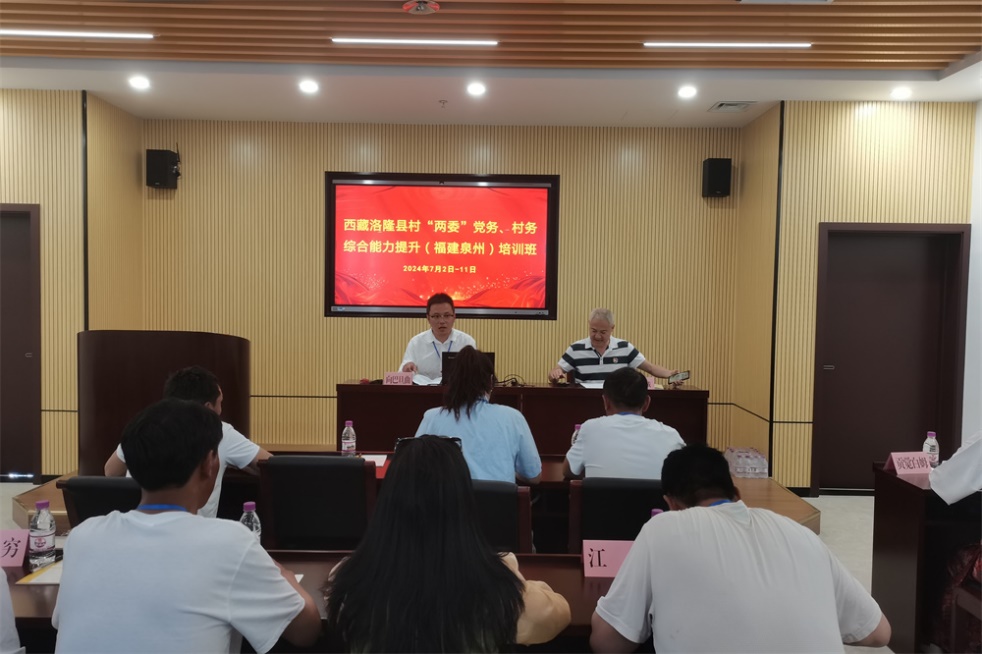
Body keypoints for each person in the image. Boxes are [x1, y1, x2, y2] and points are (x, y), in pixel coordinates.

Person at [53, 398, 321, 653]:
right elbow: (306, 631)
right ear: (209, 463)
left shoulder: (82, 537)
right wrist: (288, 580)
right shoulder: (229, 544)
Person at [590, 443, 892, 653]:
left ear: (670, 503)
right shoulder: (801, 534)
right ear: (736, 493)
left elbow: (607, 643)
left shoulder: (663, 529)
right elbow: (879, 633)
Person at [323, 435, 570, 652]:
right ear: (464, 502)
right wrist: (514, 575)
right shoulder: (497, 587)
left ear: (387, 502)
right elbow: (557, 615)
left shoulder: (349, 581)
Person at [104, 365, 271, 518]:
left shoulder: (146, 426)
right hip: (197, 534)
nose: (221, 410)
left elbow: (111, 471)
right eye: (220, 403)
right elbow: (271, 467)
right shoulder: (220, 432)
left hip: (136, 526)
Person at [415, 346, 541, 484]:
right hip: (497, 498)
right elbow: (533, 476)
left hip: (448, 498)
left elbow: (413, 467)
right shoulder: (513, 418)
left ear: (450, 381)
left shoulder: (432, 418)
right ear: (491, 381)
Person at [563, 367, 684, 480]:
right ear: (646, 403)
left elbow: (568, 471)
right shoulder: (671, 436)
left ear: (606, 402)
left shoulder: (589, 429)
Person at [548, 308, 679, 384]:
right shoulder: (575, 348)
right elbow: (555, 372)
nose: (597, 336)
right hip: (585, 403)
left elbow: (650, 368)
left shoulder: (625, 348)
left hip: (618, 406)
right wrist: (554, 374)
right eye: (593, 330)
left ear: (612, 328)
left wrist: (670, 375)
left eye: (603, 332)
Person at [400, 292, 476, 380]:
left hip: (457, 388)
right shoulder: (416, 343)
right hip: (425, 388)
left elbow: (475, 374)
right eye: (436, 316)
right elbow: (403, 374)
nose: (442, 321)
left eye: (447, 316)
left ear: (454, 317)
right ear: (428, 318)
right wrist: (407, 369)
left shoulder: (467, 342)